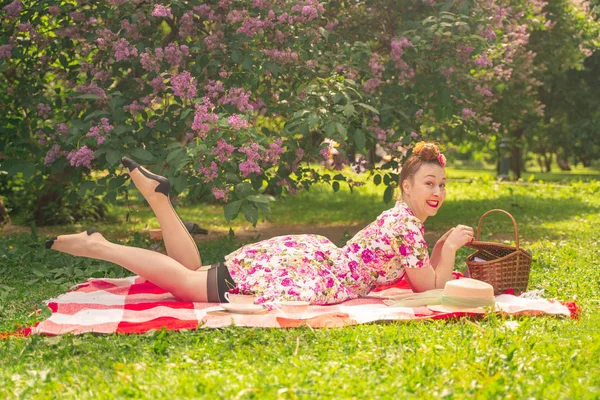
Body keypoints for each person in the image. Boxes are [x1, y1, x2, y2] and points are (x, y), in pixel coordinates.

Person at [45, 142, 474, 305]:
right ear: (405, 187)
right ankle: (101, 246)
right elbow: (429, 287)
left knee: (196, 275)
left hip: (317, 259)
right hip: (317, 272)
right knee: (191, 286)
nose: (436, 192)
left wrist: (441, 247)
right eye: (428, 183)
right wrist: (449, 247)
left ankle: (160, 200)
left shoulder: (405, 223)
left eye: (441, 184)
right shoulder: (404, 225)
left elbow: (427, 276)